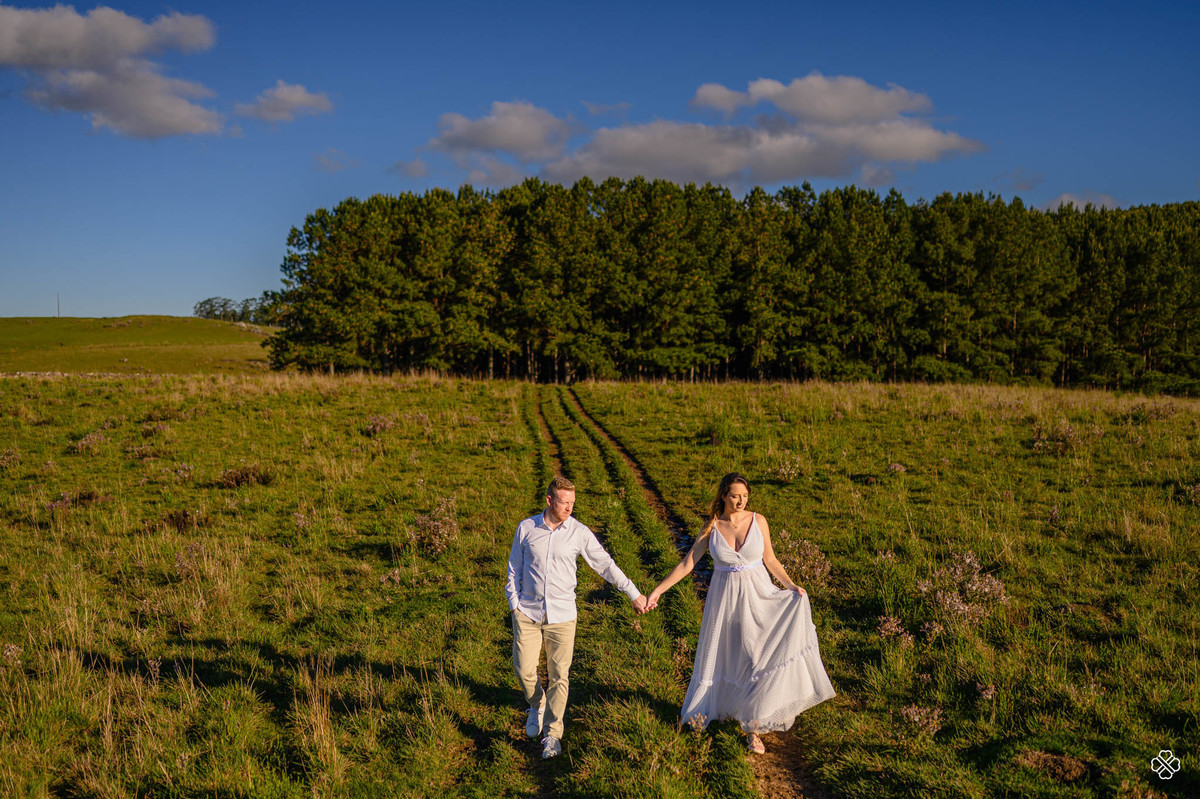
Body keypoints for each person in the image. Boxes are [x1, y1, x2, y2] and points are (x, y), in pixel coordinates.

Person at [645, 472, 835, 753]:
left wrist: (791, 585)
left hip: (759, 599)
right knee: (733, 657)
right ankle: (722, 708)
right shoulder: (712, 527)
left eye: (745, 496)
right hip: (724, 603)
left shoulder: (758, 521)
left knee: (756, 658)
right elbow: (688, 563)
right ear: (723, 495)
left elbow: (770, 559)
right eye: (735, 495)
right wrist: (659, 590)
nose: (741, 501)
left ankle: (753, 729)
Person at [506, 475, 649, 759]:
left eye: (572, 502)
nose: (569, 507)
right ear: (549, 500)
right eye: (564, 502)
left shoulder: (578, 532)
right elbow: (514, 570)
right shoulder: (526, 528)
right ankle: (536, 704)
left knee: (560, 675)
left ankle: (553, 734)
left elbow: (604, 564)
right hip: (528, 612)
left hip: (562, 616)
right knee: (523, 670)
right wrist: (515, 605)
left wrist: (633, 593)